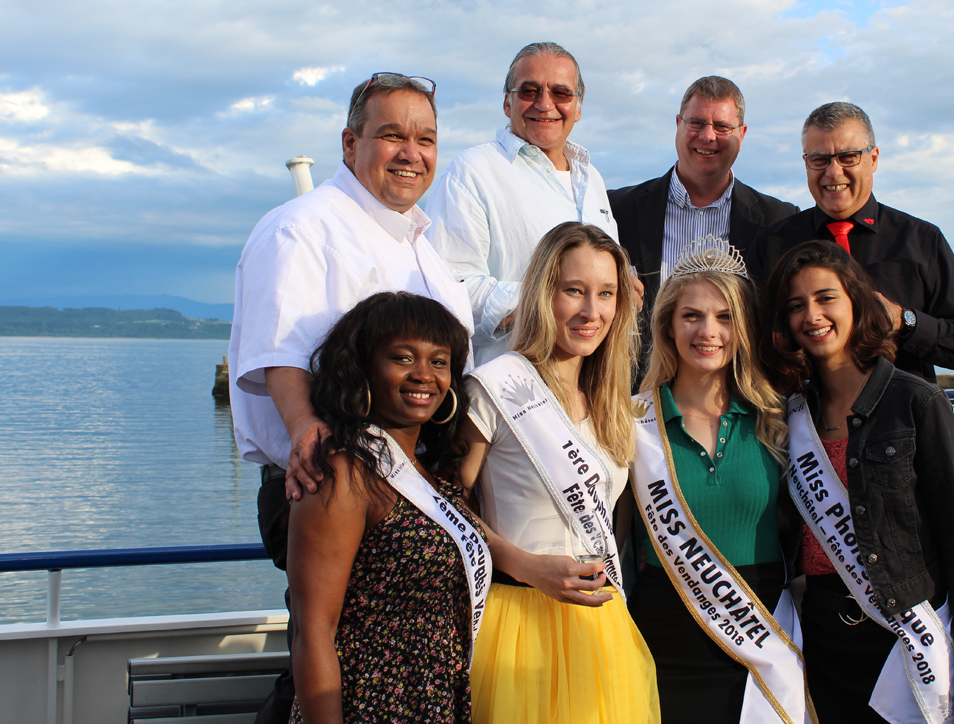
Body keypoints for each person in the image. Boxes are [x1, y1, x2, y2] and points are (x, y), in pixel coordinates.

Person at [227, 73, 473, 722]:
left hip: (417, 490)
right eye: (391, 135)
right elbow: (279, 349)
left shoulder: (427, 248)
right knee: (330, 649)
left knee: (400, 653)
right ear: (349, 142)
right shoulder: (301, 227)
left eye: (426, 139)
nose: (410, 153)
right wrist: (308, 427)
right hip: (331, 483)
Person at [761, 240, 954, 723]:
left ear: (856, 301)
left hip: (904, 643)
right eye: (796, 305)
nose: (812, 315)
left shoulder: (916, 404)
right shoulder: (787, 415)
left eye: (826, 297)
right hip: (821, 645)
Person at [458, 222, 659, 724]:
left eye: (607, 294)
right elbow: (444, 508)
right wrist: (523, 563)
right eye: (575, 291)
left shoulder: (613, 403)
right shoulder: (492, 388)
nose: (592, 312)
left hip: (600, 626)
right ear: (544, 293)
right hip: (517, 626)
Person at [625, 235, 812, 723]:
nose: (708, 331)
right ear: (667, 325)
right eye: (692, 315)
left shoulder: (777, 419)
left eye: (724, 316)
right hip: (660, 637)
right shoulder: (631, 422)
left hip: (761, 635)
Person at [287, 292, 488, 724]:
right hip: (368, 705)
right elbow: (313, 631)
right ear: (363, 369)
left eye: (439, 362)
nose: (424, 375)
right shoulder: (344, 473)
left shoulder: (432, 474)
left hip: (436, 701)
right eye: (402, 358)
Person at [747, 101, 954, 382]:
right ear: (806, 163)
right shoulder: (773, 243)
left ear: (873, 159)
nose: (834, 172)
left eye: (848, 157)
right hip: (803, 418)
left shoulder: (921, 240)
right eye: (819, 159)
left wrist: (904, 320)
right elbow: (751, 340)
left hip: (899, 417)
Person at [424, 42, 626, 365]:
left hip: (591, 389)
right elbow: (449, 290)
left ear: (578, 107)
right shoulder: (472, 172)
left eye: (561, 93)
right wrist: (551, 300)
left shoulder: (593, 181)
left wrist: (622, 287)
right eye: (530, 91)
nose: (545, 104)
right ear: (507, 102)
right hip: (511, 396)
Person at [608, 77, 798, 369]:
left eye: (722, 127)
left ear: (742, 134)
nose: (708, 136)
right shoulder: (616, 210)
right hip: (636, 395)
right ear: (678, 125)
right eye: (696, 123)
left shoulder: (780, 221)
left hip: (739, 400)